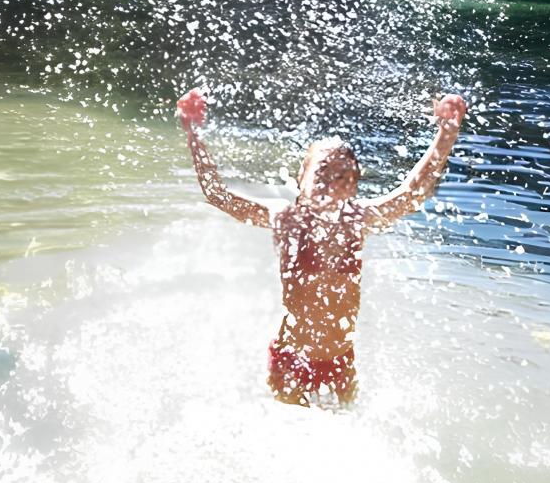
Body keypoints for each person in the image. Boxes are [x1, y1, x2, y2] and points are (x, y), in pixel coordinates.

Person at [177, 88, 467, 406]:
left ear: (354, 185)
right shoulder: (285, 218)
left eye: (342, 176)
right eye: (323, 173)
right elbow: (219, 196)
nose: (331, 183)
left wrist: (446, 136)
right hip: (291, 359)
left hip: (341, 359)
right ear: (302, 178)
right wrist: (193, 133)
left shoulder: (358, 219)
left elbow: (413, 193)